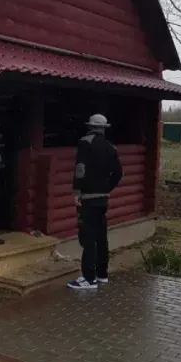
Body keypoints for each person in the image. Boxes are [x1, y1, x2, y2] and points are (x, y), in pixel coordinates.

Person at [67, 113, 123, 290]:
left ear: (90, 127)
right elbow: (119, 173)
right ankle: (102, 274)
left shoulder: (85, 142)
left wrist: (77, 192)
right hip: (103, 199)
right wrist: (106, 188)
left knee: (88, 238)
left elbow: (80, 169)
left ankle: (88, 278)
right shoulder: (110, 147)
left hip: (88, 198)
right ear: (104, 129)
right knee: (101, 237)